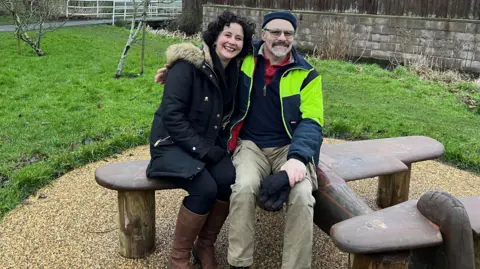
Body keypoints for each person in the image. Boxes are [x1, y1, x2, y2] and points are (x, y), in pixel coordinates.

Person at [155, 10, 324, 269]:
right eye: (275, 32)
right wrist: (176, 66)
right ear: (264, 35)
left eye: (288, 33)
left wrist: (297, 162)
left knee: (302, 196)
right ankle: (239, 263)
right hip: (250, 144)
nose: (282, 38)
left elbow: (312, 123)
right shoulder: (246, 58)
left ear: (294, 37)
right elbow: (208, 57)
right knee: (243, 187)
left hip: (289, 148)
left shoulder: (308, 75)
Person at [146, 10, 256, 269]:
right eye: (226, 34)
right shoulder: (186, 66)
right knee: (205, 188)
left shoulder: (233, 71)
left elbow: (270, 45)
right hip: (171, 143)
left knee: (230, 179)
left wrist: (211, 149)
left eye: (238, 38)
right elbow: (172, 118)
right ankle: (179, 258)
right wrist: (206, 151)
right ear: (214, 37)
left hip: (204, 144)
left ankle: (204, 244)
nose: (232, 41)